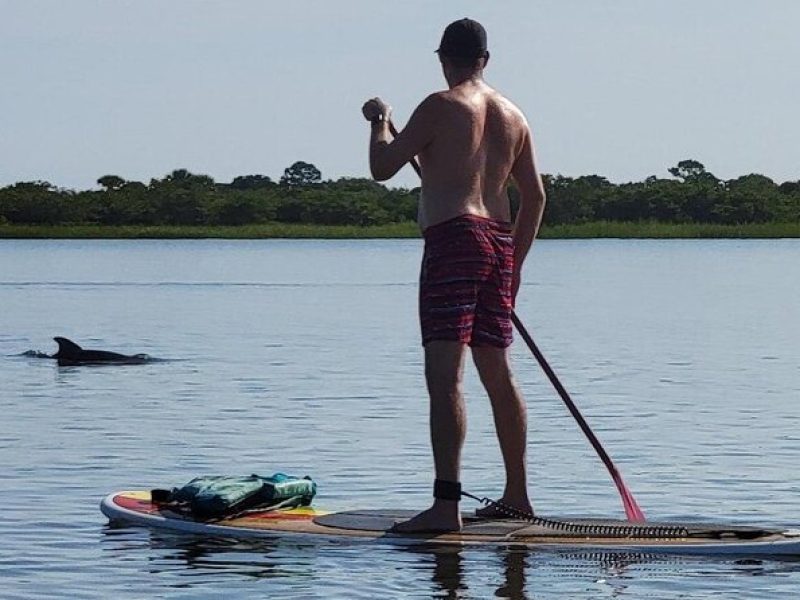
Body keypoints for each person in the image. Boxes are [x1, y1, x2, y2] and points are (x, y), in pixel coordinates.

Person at [361, 18, 546, 532]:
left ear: (444, 58)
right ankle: (517, 496)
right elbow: (534, 197)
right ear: (486, 59)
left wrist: (380, 120)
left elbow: (382, 167)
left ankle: (446, 506)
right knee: (498, 372)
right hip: (497, 242)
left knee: (445, 377)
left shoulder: (440, 105)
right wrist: (517, 265)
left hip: (453, 239)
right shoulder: (514, 115)